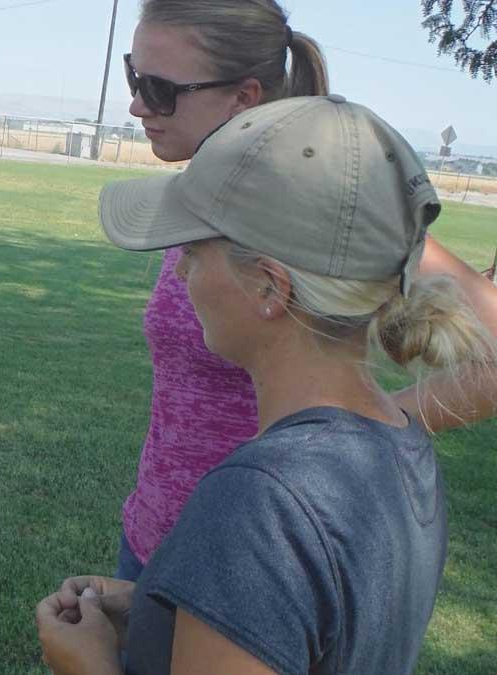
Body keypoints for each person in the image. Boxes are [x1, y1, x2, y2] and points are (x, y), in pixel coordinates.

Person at [37, 95, 497, 675]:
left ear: (269, 289)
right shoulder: (400, 446)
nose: (180, 272)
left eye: (196, 251)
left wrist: (87, 667)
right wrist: (167, 606)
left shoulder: (257, 505)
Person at [112, 0, 497, 582]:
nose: (138, 103)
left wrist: (376, 424)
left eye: (160, 88)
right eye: (134, 76)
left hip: (263, 549)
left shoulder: (319, 215)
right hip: (157, 535)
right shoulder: (197, 200)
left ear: (243, 96)